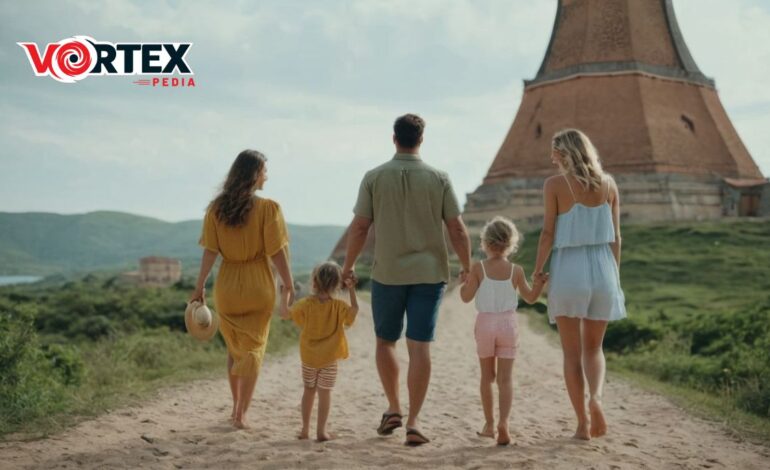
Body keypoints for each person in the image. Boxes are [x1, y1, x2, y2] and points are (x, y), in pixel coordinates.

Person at [342, 113, 472, 446]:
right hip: (429, 275)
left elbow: (359, 227)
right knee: (419, 345)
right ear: (421, 139)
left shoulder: (373, 177)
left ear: (394, 138)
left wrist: (348, 266)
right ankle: (414, 421)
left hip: (387, 274)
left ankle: (394, 408)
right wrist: (468, 265)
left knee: (386, 341)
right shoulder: (439, 178)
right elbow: (456, 227)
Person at [533, 129, 626, 440]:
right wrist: (614, 276)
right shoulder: (610, 184)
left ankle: (582, 424)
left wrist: (538, 270)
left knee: (571, 354)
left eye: (554, 152)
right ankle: (596, 399)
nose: (551, 158)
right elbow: (617, 237)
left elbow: (547, 234)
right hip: (603, 268)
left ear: (565, 154)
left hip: (569, 268)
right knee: (594, 348)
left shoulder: (555, 185)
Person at [190, 149, 294, 430]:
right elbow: (278, 252)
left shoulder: (216, 209)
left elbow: (210, 252)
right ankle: (242, 413)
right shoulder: (268, 208)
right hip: (258, 284)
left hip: (227, 286)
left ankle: (235, 406)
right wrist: (288, 283)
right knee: (254, 349)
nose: (267, 176)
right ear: (255, 174)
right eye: (265, 171)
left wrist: (199, 286)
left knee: (235, 350)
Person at [459, 216, 547, 446]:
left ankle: (489, 424)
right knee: (506, 379)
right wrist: (539, 284)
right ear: (511, 244)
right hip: (508, 324)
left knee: (487, 378)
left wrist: (463, 282)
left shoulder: (479, 268)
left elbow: (466, 298)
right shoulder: (516, 270)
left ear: (485, 243)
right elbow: (530, 297)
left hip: (486, 324)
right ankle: (504, 424)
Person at [280, 261, 359, 442]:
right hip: (329, 358)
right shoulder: (339, 306)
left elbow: (285, 313)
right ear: (337, 284)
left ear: (314, 282)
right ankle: (321, 431)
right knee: (325, 392)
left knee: (309, 390)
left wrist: (286, 293)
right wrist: (352, 290)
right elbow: (353, 311)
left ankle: (305, 429)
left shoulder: (306, 304)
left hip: (308, 356)